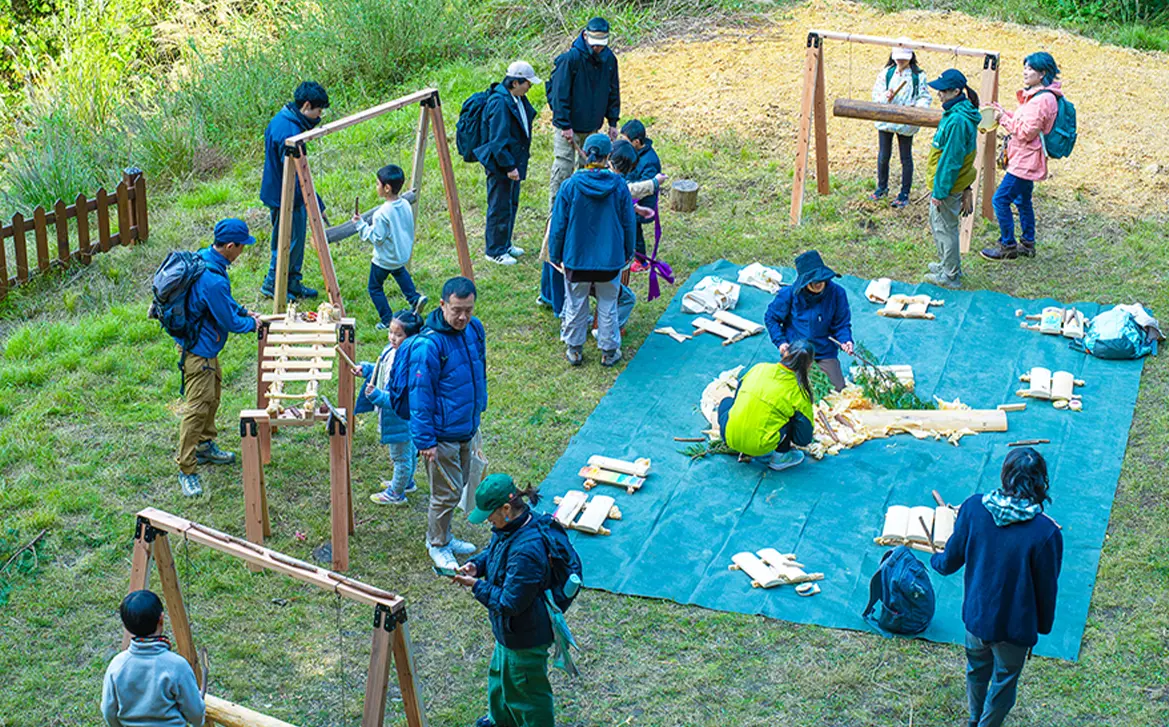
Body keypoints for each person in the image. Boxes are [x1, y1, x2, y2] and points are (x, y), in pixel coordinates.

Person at [930, 448, 1063, 727]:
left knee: (976, 669)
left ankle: (974, 719)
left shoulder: (974, 507)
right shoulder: (1047, 533)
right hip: (1015, 628)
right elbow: (1046, 589)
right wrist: (1043, 627)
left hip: (977, 618)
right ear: (1041, 482)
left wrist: (936, 559)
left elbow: (949, 560)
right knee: (1004, 681)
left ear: (1005, 474)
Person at [454, 474, 555, 727]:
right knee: (500, 680)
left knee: (528, 693)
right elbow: (494, 551)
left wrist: (477, 586)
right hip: (508, 633)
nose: (488, 520)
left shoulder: (527, 551)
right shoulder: (509, 527)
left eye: (490, 514)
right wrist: (476, 566)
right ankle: (500, 721)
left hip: (525, 636)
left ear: (507, 508)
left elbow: (511, 603)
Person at [175, 219, 261, 497]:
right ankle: (186, 469)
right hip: (198, 352)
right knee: (197, 408)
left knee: (212, 398)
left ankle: (205, 446)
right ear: (229, 246)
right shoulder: (212, 279)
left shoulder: (207, 258)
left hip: (205, 349)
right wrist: (252, 325)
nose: (242, 252)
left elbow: (226, 304)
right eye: (241, 248)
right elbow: (230, 322)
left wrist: (245, 311)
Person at [409, 276, 488, 569]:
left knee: (461, 486)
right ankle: (437, 544)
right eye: (456, 310)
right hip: (441, 435)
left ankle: (445, 534)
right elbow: (420, 395)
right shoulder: (429, 345)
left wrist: (478, 409)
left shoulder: (474, 329)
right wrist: (425, 440)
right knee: (446, 494)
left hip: (466, 426)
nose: (463, 316)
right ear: (442, 305)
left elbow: (479, 370)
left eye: (468, 309)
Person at [548, 133, 635, 368]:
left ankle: (574, 350)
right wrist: (629, 251)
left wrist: (555, 255)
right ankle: (608, 351)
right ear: (609, 156)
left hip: (576, 260)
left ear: (584, 153)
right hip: (609, 261)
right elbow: (629, 222)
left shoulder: (570, 186)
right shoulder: (619, 186)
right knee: (608, 304)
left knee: (575, 303)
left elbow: (558, 226)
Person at [980, 53, 1063, 262]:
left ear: (1042, 73)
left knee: (1000, 200)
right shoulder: (1040, 95)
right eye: (1024, 67)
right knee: (1023, 200)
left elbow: (1026, 132)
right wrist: (1003, 112)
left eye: (1030, 69)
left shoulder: (1042, 100)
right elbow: (1024, 121)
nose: (1025, 72)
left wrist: (1002, 120)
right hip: (1027, 157)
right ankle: (1027, 243)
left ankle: (1007, 245)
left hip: (1025, 160)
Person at [259, 81, 330, 301]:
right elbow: (298, 175)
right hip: (286, 196)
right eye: (318, 111)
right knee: (285, 241)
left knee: (296, 241)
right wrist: (316, 205)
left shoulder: (286, 120)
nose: (320, 117)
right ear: (307, 105)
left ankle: (292, 283)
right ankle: (273, 283)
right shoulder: (289, 133)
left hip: (287, 193)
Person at [547, 17, 621, 214]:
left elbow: (613, 91)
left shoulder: (609, 59)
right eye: (595, 45)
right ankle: (555, 213)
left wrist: (613, 122)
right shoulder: (570, 59)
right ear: (586, 36)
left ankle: (582, 212)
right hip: (568, 128)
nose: (598, 49)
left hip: (592, 128)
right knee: (563, 168)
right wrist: (564, 125)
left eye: (601, 45)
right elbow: (559, 95)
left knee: (588, 170)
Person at [102, 590, 205, 727]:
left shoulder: (117, 665)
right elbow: (195, 712)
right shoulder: (177, 666)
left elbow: (108, 711)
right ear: (161, 619)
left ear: (126, 626)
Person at [356, 310, 424, 505]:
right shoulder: (391, 351)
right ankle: (407, 482)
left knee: (401, 457)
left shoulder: (410, 363)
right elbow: (382, 369)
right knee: (409, 451)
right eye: (391, 332)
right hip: (397, 417)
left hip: (399, 418)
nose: (392, 337)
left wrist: (376, 396)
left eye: (399, 334)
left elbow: (401, 399)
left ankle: (396, 493)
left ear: (411, 338)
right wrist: (367, 369)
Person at [717, 341, 816, 471]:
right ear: (809, 365)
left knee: (727, 402)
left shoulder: (759, 368)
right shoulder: (800, 393)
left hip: (729, 436)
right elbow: (803, 438)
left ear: (785, 352)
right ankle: (781, 458)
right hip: (760, 446)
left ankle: (742, 440)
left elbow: (738, 397)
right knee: (792, 420)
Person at [764, 250, 854, 391]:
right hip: (798, 351)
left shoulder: (837, 293)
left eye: (820, 279)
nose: (818, 284)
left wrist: (845, 340)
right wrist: (781, 342)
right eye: (813, 281)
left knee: (837, 391)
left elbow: (841, 324)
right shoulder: (789, 295)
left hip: (824, 351)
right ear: (805, 281)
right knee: (789, 392)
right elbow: (771, 318)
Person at [923, 68, 980, 289]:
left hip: (947, 186)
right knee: (940, 226)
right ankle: (946, 264)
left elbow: (951, 161)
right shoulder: (956, 113)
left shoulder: (957, 120)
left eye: (943, 91)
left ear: (956, 91)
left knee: (946, 229)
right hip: (946, 184)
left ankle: (950, 275)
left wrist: (940, 191)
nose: (939, 94)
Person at [480, 61, 540, 266]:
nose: (529, 87)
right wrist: (509, 166)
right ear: (515, 82)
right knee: (499, 206)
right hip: (502, 166)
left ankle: (505, 243)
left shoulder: (517, 99)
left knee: (511, 203)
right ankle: (494, 250)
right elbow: (497, 141)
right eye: (527, 84)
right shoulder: (499, 103)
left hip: (515, 163)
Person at [353, 164, 426, 328]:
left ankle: (387, 319)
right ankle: (414, 299)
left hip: (384, 258)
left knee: (374, 287)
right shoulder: (406, 204)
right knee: (399, 271)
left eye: (378, 184)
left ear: (387, 188)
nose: (376, 187)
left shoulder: (381, 213)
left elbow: (377, 238)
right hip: (400, 253)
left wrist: (360, 225)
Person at [870, 45, 932, 208]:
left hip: (906, 122)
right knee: (883, 155)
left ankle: (904, 193)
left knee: (906, 157)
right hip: (886, 120)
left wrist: (916, 109)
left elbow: (924, 97)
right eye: (898, 58)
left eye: (904, 58)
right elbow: (876, 95)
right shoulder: (886, 73)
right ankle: (881, 187)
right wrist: (886, 96)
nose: (900, 61)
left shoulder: (918, 76)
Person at [619, 119, 662, 268]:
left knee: (635, 231)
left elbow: (644, 188)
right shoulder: (633, 152)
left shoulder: (650, 161)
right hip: (630, 198)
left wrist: (626, 190)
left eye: (625, 141)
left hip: (641, 203)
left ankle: (641, 261)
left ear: (636, 142)